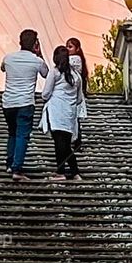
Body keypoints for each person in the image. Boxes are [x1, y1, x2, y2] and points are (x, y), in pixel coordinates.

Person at [0, 29, 49, 181]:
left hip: (8, 102)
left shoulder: (8, 58)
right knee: (22, 135)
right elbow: (47, 74)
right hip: (25, 102)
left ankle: (10, 163)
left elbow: (2, 68)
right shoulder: (37, 61)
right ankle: (17, 169)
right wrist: (39, 54)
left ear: (20, 42)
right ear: (35, 44)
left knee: (12, 133)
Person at [40, 45, 85, 182]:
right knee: (65, 143)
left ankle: (62, 172)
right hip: (69, 113)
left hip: (56, 111)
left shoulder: (54, 72)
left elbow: (45, 93)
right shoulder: (76, 76)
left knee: (59, 143)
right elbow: (79, 98)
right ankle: (74, 173)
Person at [66, 36, 90, 151]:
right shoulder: (79, 60)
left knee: (73, 119)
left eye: (70, 47)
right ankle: (76, 141)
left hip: (73, 94)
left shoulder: (75, 59)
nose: (67, 49)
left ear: (77, 48)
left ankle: (75, 141)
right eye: (67, 46)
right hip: (75, 93)